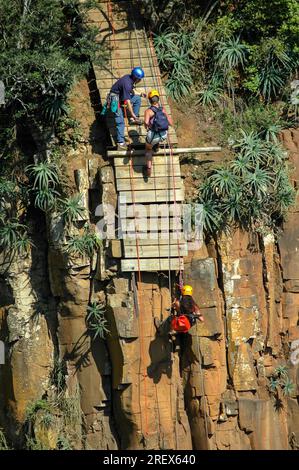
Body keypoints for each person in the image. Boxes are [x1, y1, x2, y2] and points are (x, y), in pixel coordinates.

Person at [109, 67, 145, 149]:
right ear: (136, 78)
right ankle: (120, 143)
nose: (140, 80)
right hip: (114, 100)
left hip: (120, 97)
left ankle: (132, 120)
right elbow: (128, 101)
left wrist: (140, 94)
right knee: (120, 122)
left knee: (137, 99)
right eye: (140, 79)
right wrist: (132, 114)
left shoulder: (129, 78)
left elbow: (131, 91)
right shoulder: (127, 84)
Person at [143, 89, 173, 177]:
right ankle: (156, 147)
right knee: (157, 140)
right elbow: (170, 122)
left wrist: (147, 127)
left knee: (148, 149)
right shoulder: (162, 109)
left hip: (153, 136)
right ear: (158, 99)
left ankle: (148, 168)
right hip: (164, 135)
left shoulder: (148, 111)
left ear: (149, 100)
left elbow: (146, 123)